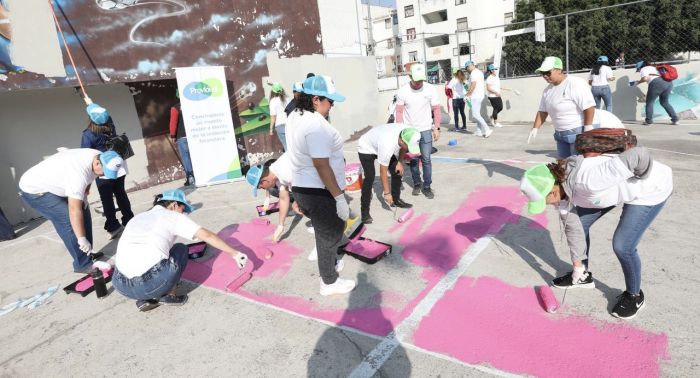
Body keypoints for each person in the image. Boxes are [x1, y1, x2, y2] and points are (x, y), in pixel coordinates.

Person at [520, 146, 672, 319]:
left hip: (650, 189)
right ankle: (583, 276)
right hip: (608, 192)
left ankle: (635, 295)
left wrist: (641, 179)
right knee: (580, 223)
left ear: (553, 190)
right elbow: (573, 227)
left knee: (623, 245)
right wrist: (578, 266)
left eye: (544, 200)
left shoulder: (589, 181)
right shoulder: (562, 192)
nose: (546, 204)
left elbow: (639, 154)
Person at [112, 189, 249, 312]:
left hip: (121, 285)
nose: (184, 214)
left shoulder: (138, 217)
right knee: (181, 249)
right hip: (150, 283)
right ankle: (168, 295)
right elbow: (206, 235)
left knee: (157, 252)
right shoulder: (173, 216)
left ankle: (145, 298)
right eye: (183, 210)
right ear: (174, 205)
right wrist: (235, 253)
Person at [286, 74, 356, 296]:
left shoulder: (296, 117)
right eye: (330, 101)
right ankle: (329, 282)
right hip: (319, 190)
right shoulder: (316, 125)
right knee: (331, 234)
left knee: (325, 232)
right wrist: (338, 198)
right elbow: (321, 164)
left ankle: (329, 263)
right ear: (316, 99)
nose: (332, 106)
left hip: (303, 187)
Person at [18, 149, 126, 273]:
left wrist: (84, 194)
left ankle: (87, 253)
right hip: (35, 190)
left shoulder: (100, 156)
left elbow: (90, 177)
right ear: (97, 163)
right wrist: (81, 238)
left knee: (84, 210)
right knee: (68, 219)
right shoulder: (78, 174)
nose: (103, 175)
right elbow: (74, 210)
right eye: (104, 172)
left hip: (56, 183)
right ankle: (83, 264)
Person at [81, 103, 134, 240]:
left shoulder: (88, 134)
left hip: (103, 169)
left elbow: (85, 155)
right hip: (118, 165)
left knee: (107, 199)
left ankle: (113, 226)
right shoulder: (110, 124)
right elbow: (101, 114)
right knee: (121, 193)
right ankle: (129, 219)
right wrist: (89, 101)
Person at [528, 56, 596, 158]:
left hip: (578, 133)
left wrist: (588, 128)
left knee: (577, 166)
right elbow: (542, 111)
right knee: (563, 166)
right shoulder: (548, 90)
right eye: (542, 73)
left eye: (548, 72)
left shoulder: (574, 83)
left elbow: (588, 106)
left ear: (559, 70)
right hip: (560, 135)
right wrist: (535, 128)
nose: (545, 76)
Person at [357, 124, 420, 224]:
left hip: (380, 142)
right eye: (408, 146)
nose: (408, 149)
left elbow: (403, 148)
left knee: (397, 170)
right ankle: (365, 213)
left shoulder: (407, 131)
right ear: (401, 141)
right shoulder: (388, 144)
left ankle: (396, 199)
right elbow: (383, 172)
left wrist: (399, 162)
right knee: (370, 177)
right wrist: (386, 193)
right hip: (366, 148)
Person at [395, 63, 441, 199]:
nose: (419, 83)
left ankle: (427, 186)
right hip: (410, 131)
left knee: (426, 159)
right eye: (416, 80)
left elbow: (436, 109)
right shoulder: (403, 91)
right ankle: (416, 184)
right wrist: (400, 131)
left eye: (421, 80)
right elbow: (399, 112)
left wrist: (436, 127)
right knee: (414, 160)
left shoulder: (430, 89)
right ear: (410, 77)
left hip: (426, 129)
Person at [246, 153, 301, 241]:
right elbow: (283, 198)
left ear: (264, 180)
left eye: (260, 187)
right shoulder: (275, 174)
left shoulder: (285, 173)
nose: (262, 189)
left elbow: (310, 186)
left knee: (304, 203)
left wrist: (298, 201)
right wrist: (280, 225)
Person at [633, 60, 679, 126]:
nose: (639, 71)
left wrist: (638, 82)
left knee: (650, 102)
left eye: (638, 70)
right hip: (669, 83)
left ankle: (649, 121)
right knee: (665, 102)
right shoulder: (654, 68)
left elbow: (645, 78)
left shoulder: (643, 69)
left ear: (640, 67)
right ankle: (675, 119)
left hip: (657, 83)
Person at [169, 93, 195, 186]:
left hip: (182, 136)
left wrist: (172, 135)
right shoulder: (193, 104)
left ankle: (191, 177)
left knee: (186, 157)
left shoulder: (175, 108)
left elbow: (173, 123)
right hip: (195, 134)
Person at [463, 61, 492, 138]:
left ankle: (487, 129)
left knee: (475, 115)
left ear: (470, 66)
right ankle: (479, 131)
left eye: (467, 68)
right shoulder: (478, 72)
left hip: (476, 96)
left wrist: (468, 94)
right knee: (477, 114)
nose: (467, 70)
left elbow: (473, 85)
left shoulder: (473, 73)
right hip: (479, 95)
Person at [269, 83, 290, 150]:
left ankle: (290, 160)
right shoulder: (287, 98)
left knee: (286, 147)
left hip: (280, 125)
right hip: (289, 124)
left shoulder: (272, 101)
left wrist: (271, 129)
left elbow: (273, 116)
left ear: (273, 92)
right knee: (293, 145)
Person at [485, 64, 504, 128]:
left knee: (500, 107)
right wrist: (496, 92)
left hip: (497, 95)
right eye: (493, 69)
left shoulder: (496, 77)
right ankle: (496, 122)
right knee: (496, 108)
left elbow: (496, 86)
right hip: (492, 96)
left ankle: (492, 116)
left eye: (495, 69)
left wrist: (500, 89)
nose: (495, 70)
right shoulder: (489, 78)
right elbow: (488, 88)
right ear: (490, 70)